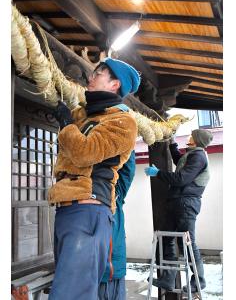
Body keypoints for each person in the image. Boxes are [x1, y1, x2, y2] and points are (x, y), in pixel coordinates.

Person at [48, 58, 140, 300]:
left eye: (98, 73)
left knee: (70, 295)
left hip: (88, 209)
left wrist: (67, 124)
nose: (91, 76)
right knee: (69, 289)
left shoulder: (122, 121)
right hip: (67, 208)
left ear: (114, 84)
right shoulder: (86, 116)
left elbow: (85, 151)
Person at [144, 129, 213, 293]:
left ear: (196, 140)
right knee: (167, 238)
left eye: (192, 135)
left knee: (187, 244)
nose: (189, 136)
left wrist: (158, 173)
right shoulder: (191, 155)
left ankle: (198, 282)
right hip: (176, 202)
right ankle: (168, 280)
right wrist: (172, 142)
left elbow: (182, 179)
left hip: (186, 203)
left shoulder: (199, 156)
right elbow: (179, 160)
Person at [98, 150, 136, 300]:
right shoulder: (83, 195)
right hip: (98, 270)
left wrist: (130, 145)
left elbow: (128, 171)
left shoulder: (116, 193)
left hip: (112, 267)